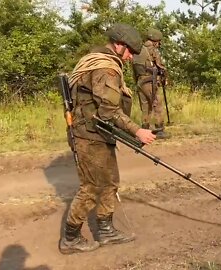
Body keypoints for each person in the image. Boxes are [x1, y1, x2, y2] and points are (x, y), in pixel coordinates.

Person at [59, 23, 156, 254]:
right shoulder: (106, 69)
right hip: (90, 134)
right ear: (119, 45)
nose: (132, 57)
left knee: (110, 182)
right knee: (91, 186)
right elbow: (109, 111)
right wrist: (136, 131)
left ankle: (105, 230)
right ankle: (71, 238)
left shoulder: (96, 59)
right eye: (130, 51)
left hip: (98, 132)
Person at [132, 28, 170, 139]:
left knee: (145, 106)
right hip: (150, 81)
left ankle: (144, 128)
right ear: (155, 40)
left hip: (140, 81)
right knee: (157, 104)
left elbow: (134, 69)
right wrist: (164, 77)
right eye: (158, 41)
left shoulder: (138, 50)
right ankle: (159, 130)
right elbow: (160, 66)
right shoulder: (152, 50)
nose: (159, 44)